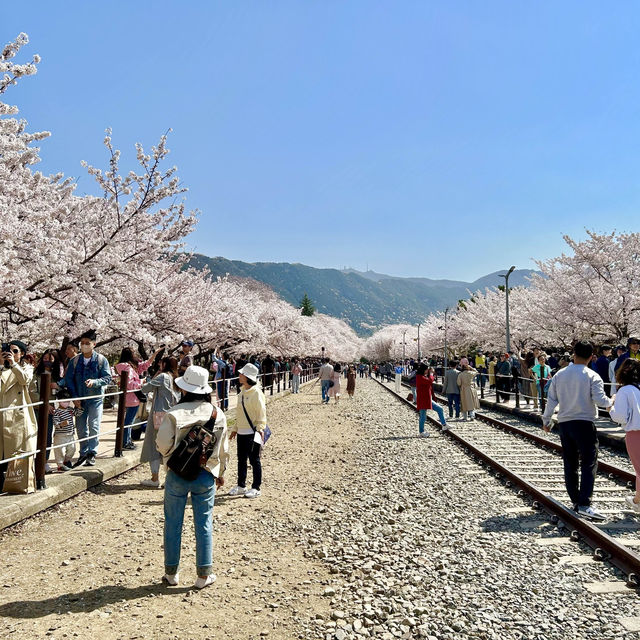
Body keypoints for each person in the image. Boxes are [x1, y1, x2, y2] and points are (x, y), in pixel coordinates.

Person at [156, 365, 228, 588]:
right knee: (204, 523)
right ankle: (203, 575)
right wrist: (220, 473)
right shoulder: (217, 413)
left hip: (177, 474)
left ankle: (171, 573)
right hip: (206, 473)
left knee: (173, 523)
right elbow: (223, 449)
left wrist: (173, 458)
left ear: (184, 388)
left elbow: (162, 444)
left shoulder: (174, 413)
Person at [542, 341, 612, 521]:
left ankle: (575, 500)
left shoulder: (559, 375)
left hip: (565, 423)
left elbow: (551, 399)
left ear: (573, 354)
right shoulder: (592, 375)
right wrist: (612, 401)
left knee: (570, 462)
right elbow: (600, 400)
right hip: (585, 422)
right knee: (589, 463)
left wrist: (546, 420)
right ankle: (584, 504)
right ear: (591, 357)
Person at [58, 329, 112, 467]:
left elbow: (107, 378)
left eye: (87, 343)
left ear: (94, 344)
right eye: (82, 343)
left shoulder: (101, 360)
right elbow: (69, 379)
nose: (84, 345)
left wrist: (95, 382)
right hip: (79, 400)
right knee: (81, 427)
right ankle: (83, 452)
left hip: (95, 399)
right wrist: (75, 397)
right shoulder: (75, 361)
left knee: (94, 425)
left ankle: (92, 453)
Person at [0, 340, 37, 492]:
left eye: (15, 351)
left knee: (16, 451)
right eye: (8, 351)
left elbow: (24, 380)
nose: (11, 354)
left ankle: (16, 484)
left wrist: (13, 364)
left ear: (22, 354)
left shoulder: (26, 367)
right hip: (2, 415)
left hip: (17, 416)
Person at [139, 356, 180, 488]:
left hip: (158, 415)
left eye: (161, 363)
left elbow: (145, 388)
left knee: (154, 445)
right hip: (172, 414)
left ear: (165, 364)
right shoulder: (175, 378)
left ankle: (155, 477)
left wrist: (152, 377)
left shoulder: (162, 377)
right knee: (169, 446)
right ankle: (170, 477)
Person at [227, 363, 266, 499]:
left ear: (248, 377)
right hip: (242, 432)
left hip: (253, 432)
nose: (239, 375)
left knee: (254, 460)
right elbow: (239, 413)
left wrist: (260, 429)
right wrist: (235, 429)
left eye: (241, 373)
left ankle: (256, 487)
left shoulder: (256, 393)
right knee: (241, 460)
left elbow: (261, 414)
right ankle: (241, 485)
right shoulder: (242, 391)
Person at [114, 346, 163, 449]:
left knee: (128, 421)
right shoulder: (128, 368)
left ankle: (126, 441)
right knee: (129, 421)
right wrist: (142, 382)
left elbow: (144, 365)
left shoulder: (125, 366)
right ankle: (125, 443)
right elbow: (130, 384)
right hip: (132, 398)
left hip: (127, 398)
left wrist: (154, 354)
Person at [609, 359, 640, 513]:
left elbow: (620, 416)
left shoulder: (625, 390)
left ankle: (638, 501)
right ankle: (637, 500)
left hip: (636, 433)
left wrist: (610, 408)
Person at [415, 363, 447, 436]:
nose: (427, 371)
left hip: (427, 399)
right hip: (423, 399)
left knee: (440, 409)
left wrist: (431, 375)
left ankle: (444, 425)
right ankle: (421, 432)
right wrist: (432, 374)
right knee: (423, 415)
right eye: (427, 369)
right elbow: (429, 381)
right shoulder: (419, 377)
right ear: (423, 370)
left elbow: (429, 381)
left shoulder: (423, 376)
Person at [52, 395, 76, 471]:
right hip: (60, 435)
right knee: (60, 451)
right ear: (59, 401)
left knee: (72, 449)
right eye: (64, 401)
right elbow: (55, 423)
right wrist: (61, 424)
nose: (66, 403)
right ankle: (60, 465)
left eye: (68, 401)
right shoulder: (57, 412)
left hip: (70, 434)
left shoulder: (70, 410)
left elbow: (78, 413)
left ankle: (66, 461)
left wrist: (78, 406)